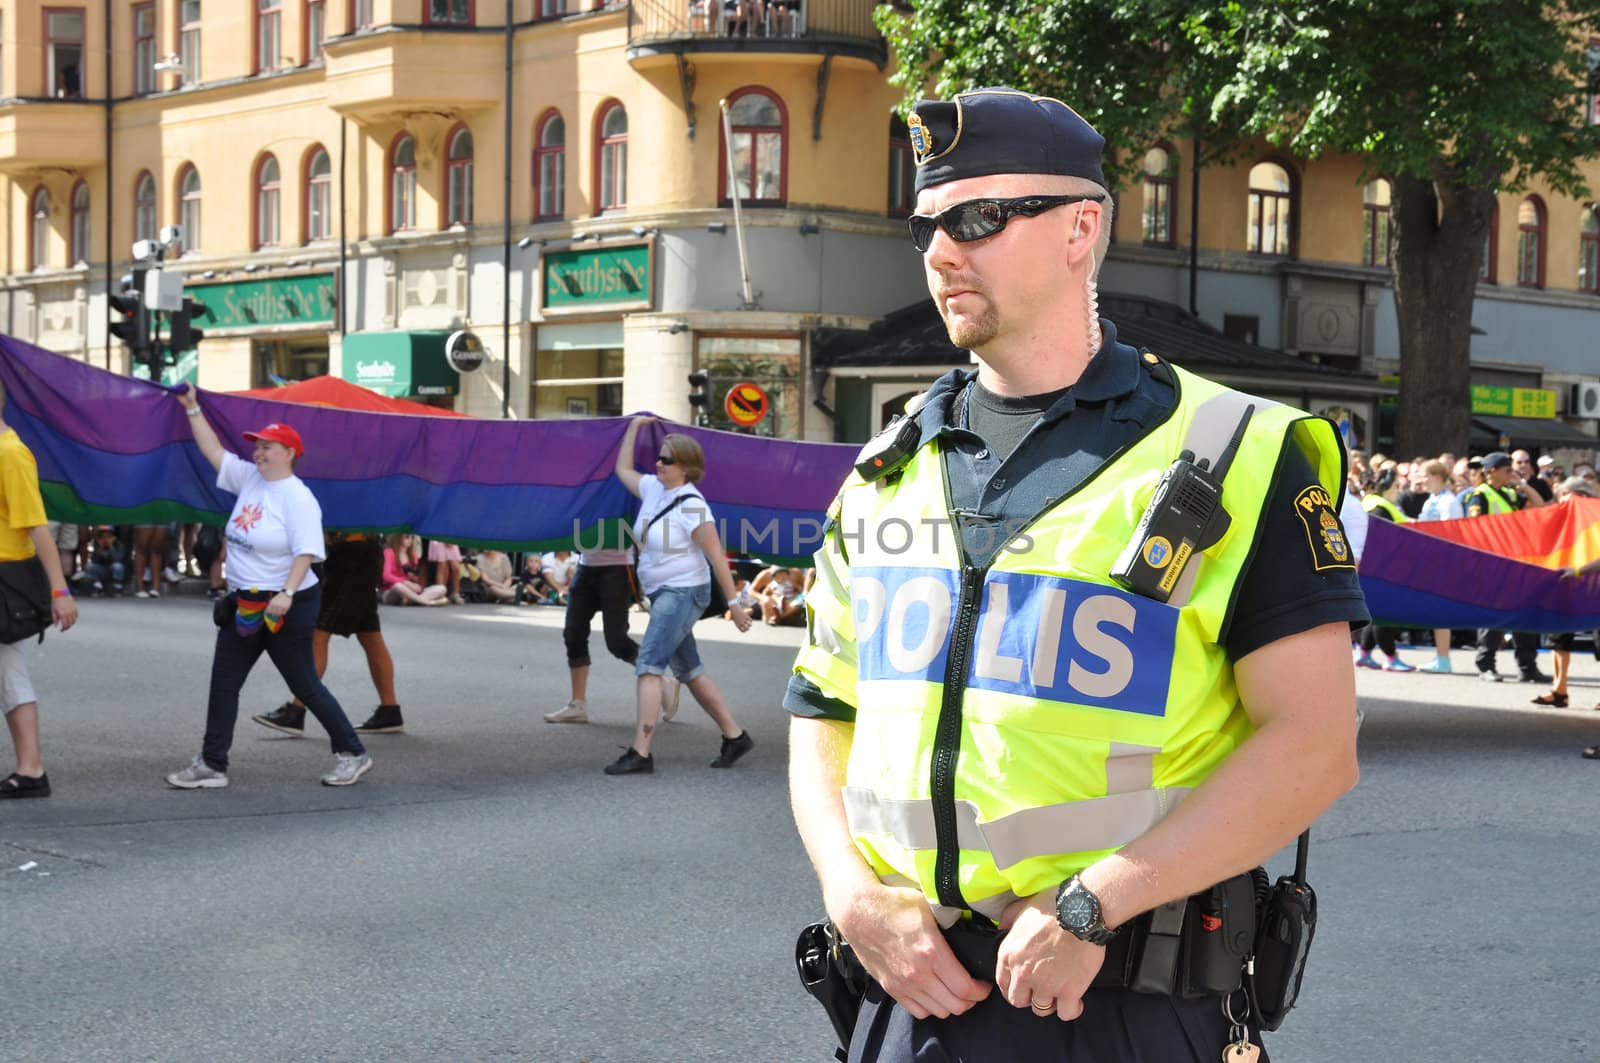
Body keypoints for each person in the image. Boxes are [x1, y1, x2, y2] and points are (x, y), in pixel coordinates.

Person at [785, 88, 1364, 1062]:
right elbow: (820, 712)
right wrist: (850, 897)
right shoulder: (887, 464)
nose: (939, 251)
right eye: (925, 225)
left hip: (1117, 999)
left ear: (1080, 228)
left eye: (976, 219)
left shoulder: (1231, 451)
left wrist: (1098, 902)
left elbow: (1313, 745)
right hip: (906, 989)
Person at [164, 388, 372, 789]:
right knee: (224, 681)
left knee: (304, 683)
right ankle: (212, 763)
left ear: (289, 453)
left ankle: (352, 752)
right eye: (257, 446)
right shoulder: (249, 480)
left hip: (286, 602)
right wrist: (191, 408)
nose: (258, 453)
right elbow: (213, 452)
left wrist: (286, 594)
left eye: (267, 447)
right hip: (246, 601)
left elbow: (308, 551)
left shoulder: (298, 498)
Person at [603, 416, 755, 775]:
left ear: (686, 467)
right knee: (689, 670)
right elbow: (622, 468)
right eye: (659, 457)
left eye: (667, 459)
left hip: (683, 593)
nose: (658, 463)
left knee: (649, 665)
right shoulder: (654, 488)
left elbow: (717, 556)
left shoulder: (692, 505)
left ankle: (641, 753)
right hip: (663, 593)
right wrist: (634, 428)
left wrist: (735, 605)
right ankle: (735, 737)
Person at [0, 386, 79, 798]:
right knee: (9, 675)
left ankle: (32, 769)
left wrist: (60, 590)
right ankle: (30, 770)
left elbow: (37, 526)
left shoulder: (10, 454)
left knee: (10, 674)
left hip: (5, 575)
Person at [252, 531, 406, 738]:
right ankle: (390, 710)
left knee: (320, 634)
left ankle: (295, 710)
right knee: (370, 635)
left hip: (351, 556)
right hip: (359, 552)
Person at [1469, 451, 1548, 683]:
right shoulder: (1479, 495)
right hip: (1492, 564)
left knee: (1524, 614)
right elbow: (1474, 527)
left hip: (1514, 562)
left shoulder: (1508, 493)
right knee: (1493, 617)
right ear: (1492, 471)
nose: (1511, 474)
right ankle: (1486, 665)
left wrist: (1522, 484)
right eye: (1507, 470)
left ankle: (1527, 667)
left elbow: (1539, 504)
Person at [544, 545, 644, 724]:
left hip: (619, 568)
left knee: (616, 640)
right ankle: (577, 705)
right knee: (573, 634)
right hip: (586, 566)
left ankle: (655, 674)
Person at [1354, 469, 1414, 671]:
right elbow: (1383, 541)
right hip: (1381, 569)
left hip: (1375, 568)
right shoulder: (1379, 508)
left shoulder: (1373, 503)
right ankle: (1391, 657)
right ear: (1388, 487)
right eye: (1397, 486)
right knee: (1383, 613)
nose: (1399, 490)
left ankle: (1364, 654)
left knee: (1376, 612)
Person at [1415, 459, 1465, 674]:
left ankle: (1443, 659)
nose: (1421, 481)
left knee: (1441, 611)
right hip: (1431, 560)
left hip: (1444, 561)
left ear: (1436, 476)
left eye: (1425, 476)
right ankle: (1440, 656)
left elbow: (1452, 532)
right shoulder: (1431, 500)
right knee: (1436, 610)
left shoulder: (1449, 502)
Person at [381, 533, 446, 606]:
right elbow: (386, 576)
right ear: (398, 538)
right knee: (398, 586)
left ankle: (411, 600)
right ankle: (427, 602)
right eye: (407, 537)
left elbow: (416, 579)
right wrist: (405, 582)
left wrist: (413, 579)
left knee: (442, 588)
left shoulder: (413, 555)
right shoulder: (389, 552)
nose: (410, 540)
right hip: (391, 591)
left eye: (412, 538)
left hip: (410, 591)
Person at [427, 538, 465, 604]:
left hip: (451, 536)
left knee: (456, 568)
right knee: (442, 565)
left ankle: (455, 594)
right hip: (439, 536)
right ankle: (441, 595)